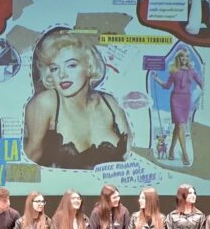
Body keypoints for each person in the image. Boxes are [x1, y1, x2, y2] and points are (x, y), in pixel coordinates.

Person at [24, 28, 131, 169]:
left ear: (89, 66)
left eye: (71, 65)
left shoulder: (109, 103)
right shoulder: (47, 102)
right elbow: (30, 156)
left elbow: (131, 155)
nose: (62, 75)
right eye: (54, 68)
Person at [151, 49, 203, 166]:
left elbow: (202, 83)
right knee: (180, 125)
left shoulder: (192, 71)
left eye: (187, 57)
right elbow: (166, 86)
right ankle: (185, 154)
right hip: (175, 99)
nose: (185, 59)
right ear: (178, 58)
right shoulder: (174, 71)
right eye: (182, 57)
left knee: (177, 127)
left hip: (186, 100)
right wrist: (156, 79)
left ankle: (170, 151)